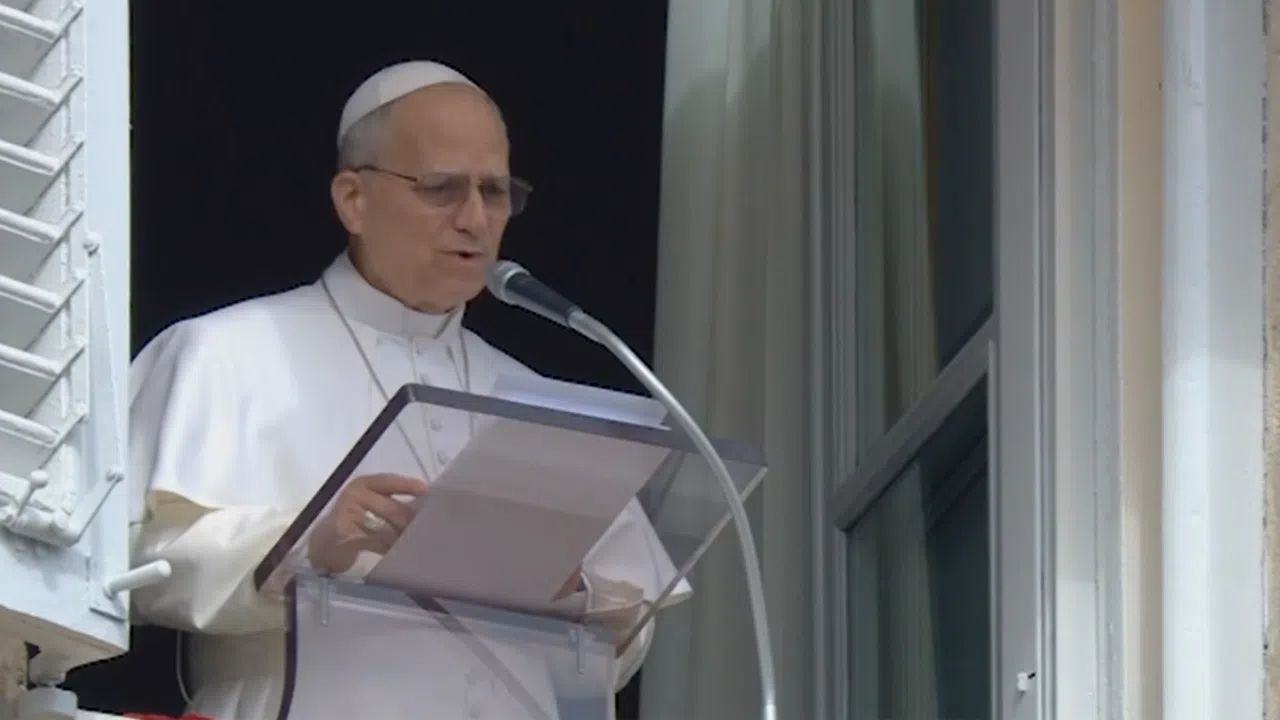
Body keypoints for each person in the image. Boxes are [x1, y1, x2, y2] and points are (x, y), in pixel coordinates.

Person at [128, 60, 690, 719]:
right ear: (353, 199)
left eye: (495, 191)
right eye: (442, 188)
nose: (475, 219)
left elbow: (629, 638)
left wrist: (576, 595)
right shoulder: (225, 352)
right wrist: (307, 543)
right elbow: (134, 566)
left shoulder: (542, 403)